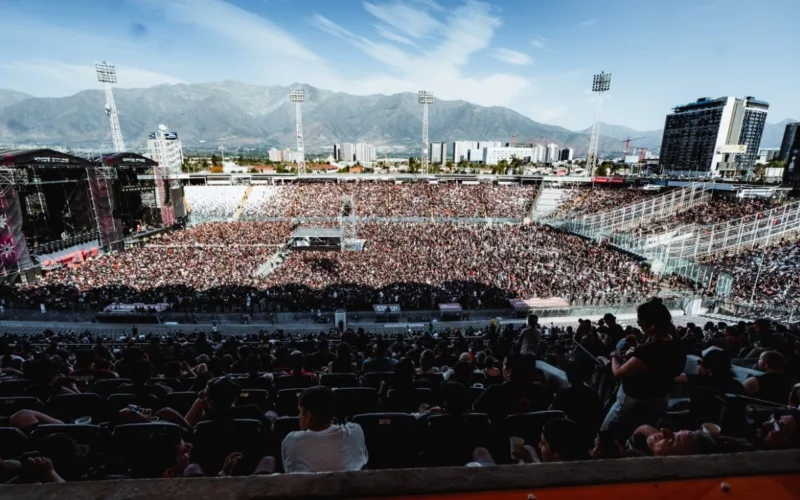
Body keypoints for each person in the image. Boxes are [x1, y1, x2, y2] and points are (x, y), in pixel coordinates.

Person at [601, 298, 687, 437]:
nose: (640, 326)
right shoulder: (677, 345)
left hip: (634, 403)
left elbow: (618, 373)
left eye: (640, 323)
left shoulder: (649, 351)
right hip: (660, 399)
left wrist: (614, 357)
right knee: (643, 435)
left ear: (652, 325)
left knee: (608, 432)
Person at [281, 386, 368, 473]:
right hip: (349, 486)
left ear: (308, 416)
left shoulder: (291, 440)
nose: (298, 416)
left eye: (299, 412)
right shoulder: (355, 432)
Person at [674, 348, 744, 427]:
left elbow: (674, 378)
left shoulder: (700, 381)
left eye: (700, 363)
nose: (698, 366)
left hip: (697, 426)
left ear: (709, 369)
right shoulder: (738, 386)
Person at [472, 353, 551, 419]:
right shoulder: (540, 390)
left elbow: (476, 408)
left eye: (503, 365)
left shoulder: (494, 390)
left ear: (509, 371)